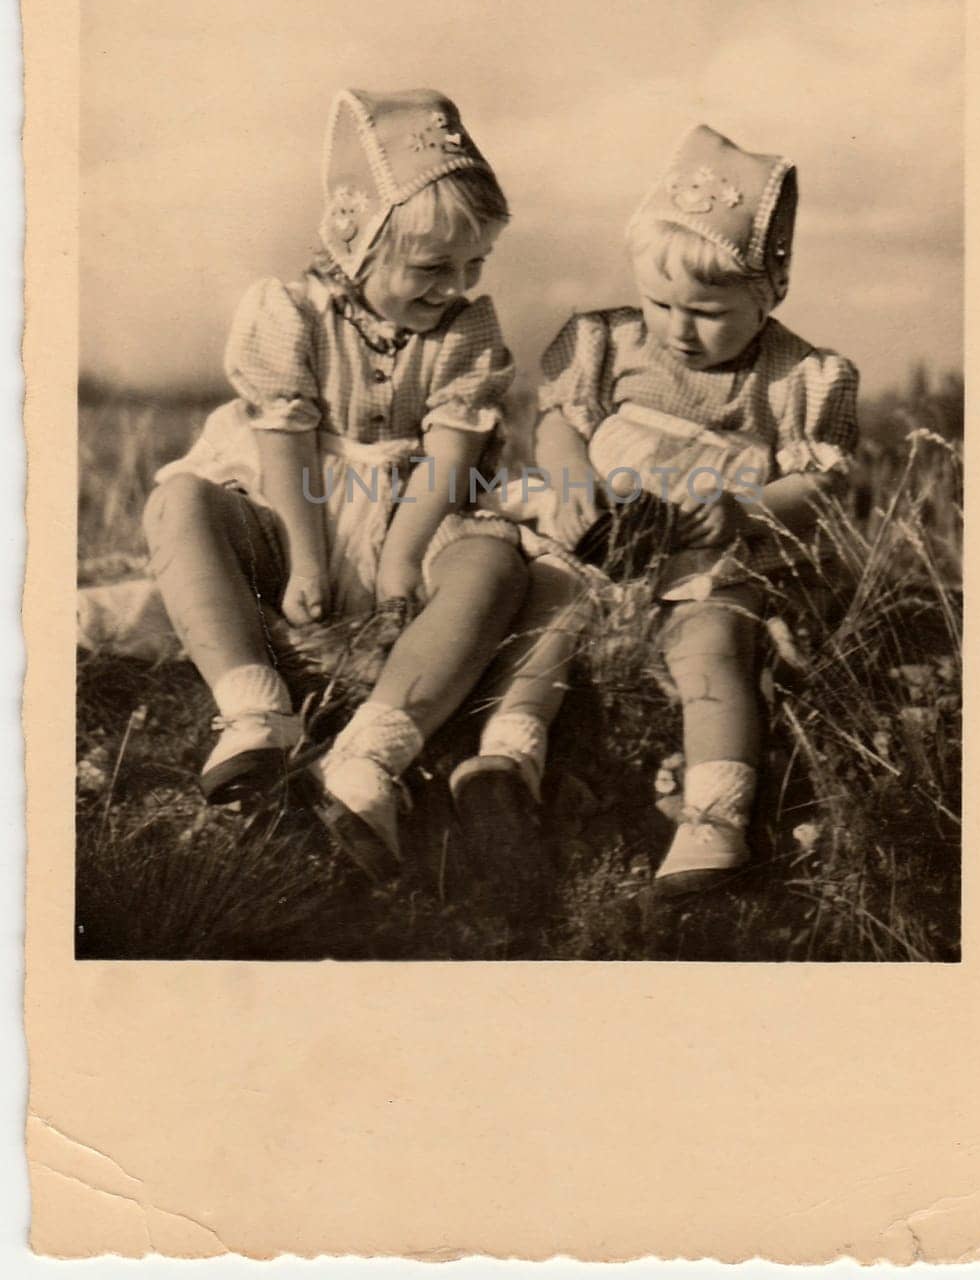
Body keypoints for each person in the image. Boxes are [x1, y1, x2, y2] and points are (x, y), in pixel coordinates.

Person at [143, 87, 563, 883]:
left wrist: (403, 561)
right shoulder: (287, 312)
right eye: (432, 267)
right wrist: (303, 560)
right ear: (357, 243)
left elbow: (448, 454)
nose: (455, 285)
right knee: (181, 501)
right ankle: (255, 711)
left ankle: (373, 756)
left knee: (494, 562)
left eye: (474, 264)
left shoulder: (466, 330)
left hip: (413, 515)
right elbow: (285, 445)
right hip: (293, 511)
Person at [528, 122, 859, 897]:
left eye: (708, 312)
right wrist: (571, 473)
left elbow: (817, 481)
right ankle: (509, 759)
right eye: (660, 304)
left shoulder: (792, 376)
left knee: (712, 647)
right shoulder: (606, 344)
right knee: (543, 619)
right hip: (597, 539)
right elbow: (557, 423)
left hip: (711, 555)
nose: (678, 330)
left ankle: (714, 820)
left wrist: (743, 508)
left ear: (766, 294)